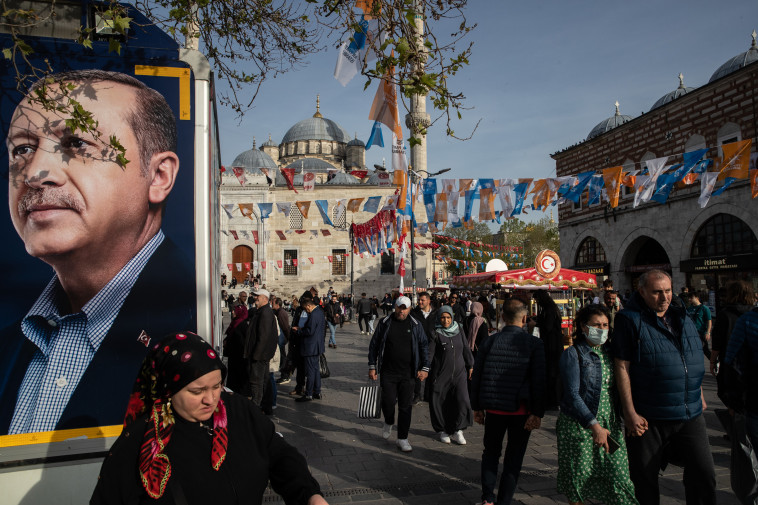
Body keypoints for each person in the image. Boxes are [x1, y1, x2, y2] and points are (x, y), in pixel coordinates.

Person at [0, 69, 196, 435]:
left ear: (158, 177)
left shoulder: (186, 328)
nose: (35, 173)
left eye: (76, 143)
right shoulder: (10, 343)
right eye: (22, 149)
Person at [90, 332, 328, 505]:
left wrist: (309, 494)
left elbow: (278, 453)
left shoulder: (237, 410)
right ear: (167, 390)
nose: (211, 399)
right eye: (197, 391)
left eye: (216, 386)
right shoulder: (139, 442)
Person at [612, 269, 716, 505]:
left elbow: (691, 356)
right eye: (657, 292)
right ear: (642, 292)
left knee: (704, 475)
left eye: (668, 291)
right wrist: (629, 413)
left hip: (689, 411)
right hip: (649, 414)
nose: (664, 297)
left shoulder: (683, 317)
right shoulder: (629, 319)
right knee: (644, 480)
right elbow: (622, 366)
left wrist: (698, 392)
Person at [557, 304, 638, 505]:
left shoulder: (611, 353)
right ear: (584, 327)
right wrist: (594, 425)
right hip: (580, 425)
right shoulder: (573, 354)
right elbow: (573, 395)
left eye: (605, 325)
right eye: (597, 325)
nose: (602, 330)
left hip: (609, 423)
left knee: (620, 478)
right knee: (579, 479)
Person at [470, 298, 546, 505]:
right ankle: (504, 500)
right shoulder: (534, 344)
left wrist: (476, 407)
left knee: (491, 453)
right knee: (514, 459)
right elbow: (540, 380)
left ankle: (487, 498)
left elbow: (477, 376)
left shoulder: (490, 341)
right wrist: (537, 412)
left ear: (502, 317)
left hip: (494, 409)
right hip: (521, 412)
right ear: (524, 318)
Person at [368, 296, 430, 452]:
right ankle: (388, 420)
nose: (401, 311)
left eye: (405, 308)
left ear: (409, 309)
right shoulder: (384, 323)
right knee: (388, 403)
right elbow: (374, 344)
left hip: (408, 373)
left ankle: (402, 438)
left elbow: (423, 346)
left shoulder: (416, 325)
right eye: (399, 307)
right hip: (388, 372)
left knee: (405, 407)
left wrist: (424, 368)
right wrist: (372, 366)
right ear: (394, 306)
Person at [428, 306, 474, 445]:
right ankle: (442, 430)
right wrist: (424, 368)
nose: (446, 320)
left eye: (448, 317)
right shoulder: (435, 333)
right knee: (440, 401)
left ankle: (458, 429)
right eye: (443, 317)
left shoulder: (458, 329)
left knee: (463, 400)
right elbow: (430, 353)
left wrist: (471, 364)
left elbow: (466, 347)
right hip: (441, 373)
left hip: (460, 373)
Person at [711, 280, 755, 378]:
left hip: (730, 362)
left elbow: (717, 341)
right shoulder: (754, 314)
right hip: (751, 363)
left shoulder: (725, 314)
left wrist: (713, 361)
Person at [242, 288, 278, 406]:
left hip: (259, 355)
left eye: (258, 296)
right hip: (260, 354)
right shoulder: (261, 311)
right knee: (262, 380)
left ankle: (256, 406)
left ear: (265, 299)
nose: (255, 298)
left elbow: (264, 336)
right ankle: (264, 406)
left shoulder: (265, 313)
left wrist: (256, 355)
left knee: (257, 381)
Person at [529, 290, 564, 408]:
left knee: (552, 372)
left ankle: (553, 400)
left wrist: (536, 324)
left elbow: (548, 327)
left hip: (552, 345)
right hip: (552, 344)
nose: (536, 302)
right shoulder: (550, 308)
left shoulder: (549, 310)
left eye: (537, 299)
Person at [292, 296, 325, 402]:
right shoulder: (320, 312)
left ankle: (308, 394)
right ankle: (317, 391)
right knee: (315, 370)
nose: (306, 311)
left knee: (310, 371)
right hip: (317, 346)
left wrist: (298, 331)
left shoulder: (313, 314)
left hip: (310, 347)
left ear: (309, 305)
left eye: (306, 309)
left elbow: (310, 331)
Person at [411, 291, 437, 404]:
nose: (420, 302)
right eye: (419, 300)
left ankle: (428, 394)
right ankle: (417, 394)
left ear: (428, 301)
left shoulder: (436, 313)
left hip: (433, 346)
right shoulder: (414, 313)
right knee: (417, 369)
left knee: (432, 370)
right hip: (418, 345)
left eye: (422, 300)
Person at [223, 303, 249, 394]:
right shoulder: (235, 322)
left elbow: (243, 341)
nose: (233, 312)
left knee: (238, 378)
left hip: (239, 357)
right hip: (233, 356)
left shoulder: (243, 324)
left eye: (235, 310)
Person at [686, 290, 712, 359]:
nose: (689, 299)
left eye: (691, 298)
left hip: (701, 332)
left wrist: (708, 332)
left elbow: (709, 321)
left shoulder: (704, 308)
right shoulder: (689, 309)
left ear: (697, 297)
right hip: (691, 333)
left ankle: (714, 361)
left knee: (705, 349)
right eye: (689, 298)